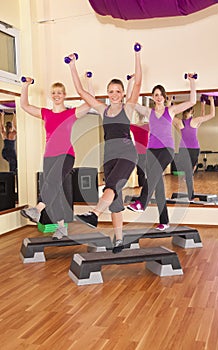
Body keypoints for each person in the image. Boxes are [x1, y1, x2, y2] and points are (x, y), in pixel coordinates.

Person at [66, 43, 142, 253]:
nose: (115, 94)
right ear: (107, 93)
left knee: (110, 188)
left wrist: (137, 54)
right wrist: (72, 65)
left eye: (118, 91)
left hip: (127, 154)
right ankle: (119, 240)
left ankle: (94, 214)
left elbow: (137, 85)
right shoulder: (102, 109)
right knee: (115, 200)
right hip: (109, 156)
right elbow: (81, 91)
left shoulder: (128, 108)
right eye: (111, 91)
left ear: (122, 94)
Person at [20, 77, 92, 239]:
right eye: (53, 93)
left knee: (52, 182)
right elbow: (24, 105)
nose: (56, 95)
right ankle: (61, 227)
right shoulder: (45, 113)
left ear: (64, 95)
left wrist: (88, 82)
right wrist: (25, 86)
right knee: (57, 191)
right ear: (51, 96)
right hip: (49, 156)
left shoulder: (70, 113)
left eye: (59, 92)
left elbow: (89, 103)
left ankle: (37, 209)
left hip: (66, 155)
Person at [127, 74, 196, 230]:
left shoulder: (170, 111)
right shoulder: (148, 112)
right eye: (155, 95)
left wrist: (192, 82)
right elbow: (130, 102)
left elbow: (192, 101)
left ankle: (141, 203)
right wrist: (130, 83)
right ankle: (164, 221)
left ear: (164, 97)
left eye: (160, 95)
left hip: (167, 149)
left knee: (152, 176)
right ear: (152, 97)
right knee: (158, 186)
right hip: (151, 150)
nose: (158, 97)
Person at [173, 96, 215, 200]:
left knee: (188, 172)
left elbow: (169, 115)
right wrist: (212, 101)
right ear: (192, 112)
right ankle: (190, 186)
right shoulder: (195, 121)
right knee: (190, 170)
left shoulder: (179, 122)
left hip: (183, 150)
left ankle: (189, 178)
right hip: (193, 149)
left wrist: (170, 103)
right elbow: (212, 115)